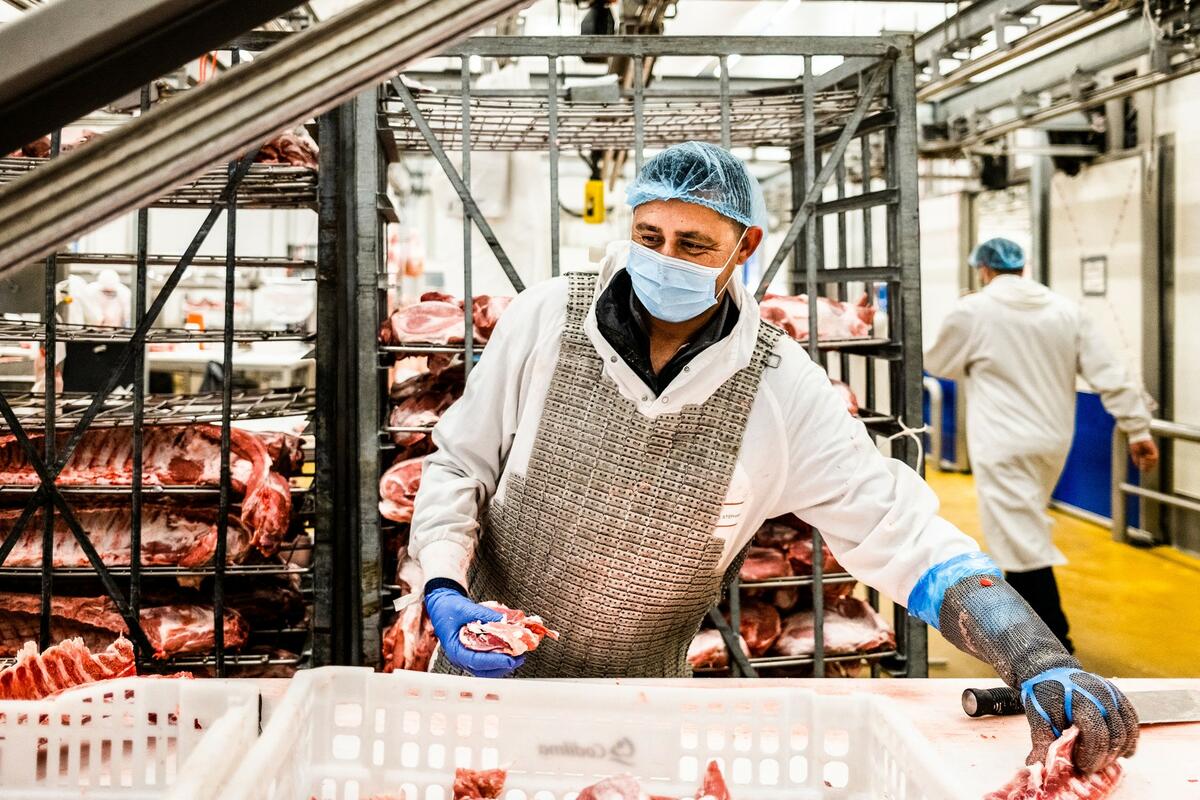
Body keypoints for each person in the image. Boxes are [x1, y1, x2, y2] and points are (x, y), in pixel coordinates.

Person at [410, 143, 1138, 772]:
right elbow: (459, 464)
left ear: (745, 245)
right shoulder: (546, 318)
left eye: (694, 245)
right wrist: (443, 584)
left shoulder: (780, 386)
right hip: (482, 679)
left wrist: (1033, 653)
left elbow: (902, 533)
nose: (664, 260)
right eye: (649, 236)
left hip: (643, 703)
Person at [925, 237, 1158, 653]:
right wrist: (1137, 428)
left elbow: (938, 363)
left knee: (1019, 540)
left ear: (983, 269)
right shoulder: (1065, 310)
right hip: (1052, 441)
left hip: (1001, 441)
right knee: (1022, 528)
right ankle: (1023, 631)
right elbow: (1110, 372)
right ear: (1023, 267)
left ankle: (1052, 641)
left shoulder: (973, 310)